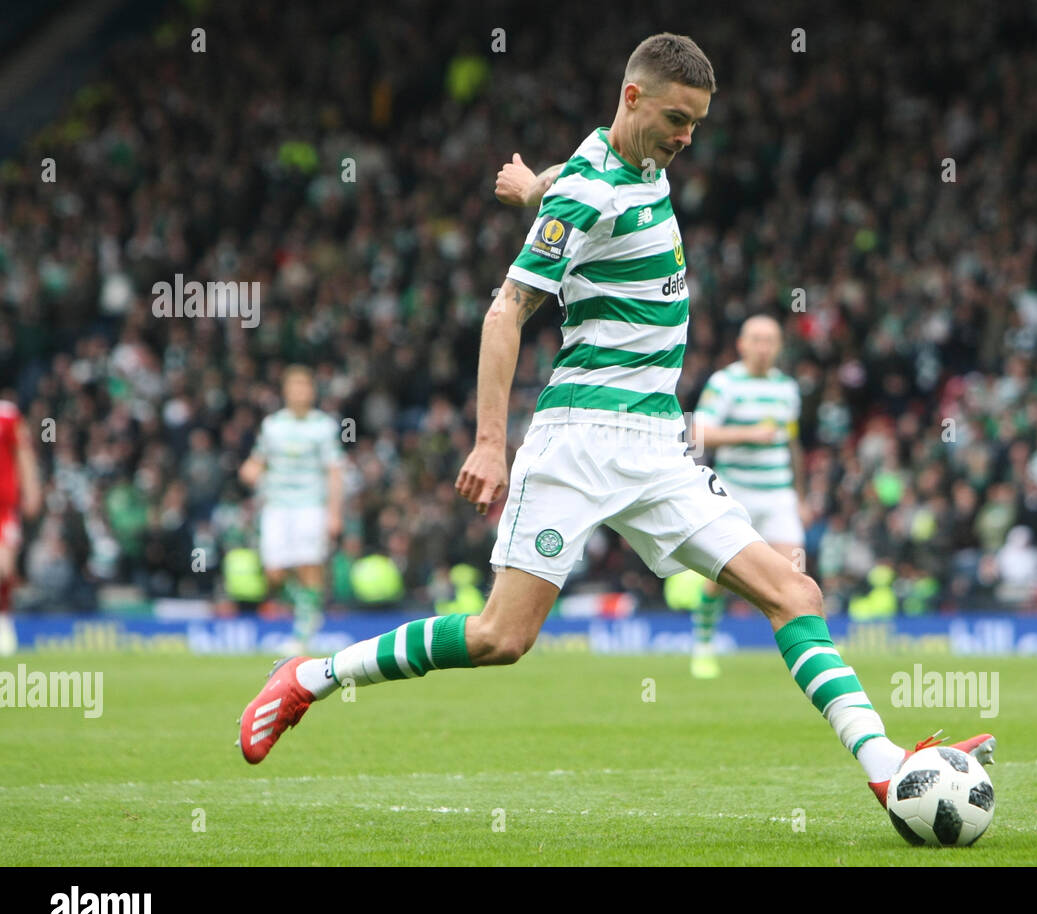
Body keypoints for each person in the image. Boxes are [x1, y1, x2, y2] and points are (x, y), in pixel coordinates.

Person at [239, 33, 993, 810]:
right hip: (579, 441)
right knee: (502, 639)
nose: (686, 138)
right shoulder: (589, 190)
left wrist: (535, 184)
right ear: (633, 98)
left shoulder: (626, 161)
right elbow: (507, 310)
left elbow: (589, 173)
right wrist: (491, 443)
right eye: (676, 119)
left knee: (794, 594)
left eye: (696, 124)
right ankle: (308, 678)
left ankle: (887, 767)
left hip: (659, 444)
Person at [687, 315, 807, 678]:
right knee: (720, 578)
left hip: (778, 496)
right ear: (742, 344)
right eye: (756, 339)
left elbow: (792, 444)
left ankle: (809, 651)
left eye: (770, 340)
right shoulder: (725, 383)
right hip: (734, 493)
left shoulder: (787, 388)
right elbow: (698, 434)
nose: (763, 347)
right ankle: (704, 644)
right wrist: (751, 433)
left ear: (779, 346)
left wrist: (800, 495)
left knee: (796, 576)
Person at [238, 366, 344, 653]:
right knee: (274, 572)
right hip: (276, 507)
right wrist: (250, 469)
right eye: (294, 386)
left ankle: (303, 633)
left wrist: (334, 513)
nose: (300, 392)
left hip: (310, 505)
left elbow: (334, 471)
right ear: (285, 391)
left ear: (312, 391)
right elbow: (258, 460)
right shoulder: (272, 425)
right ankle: (308, 608)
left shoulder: (324, 426)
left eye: (305, 386)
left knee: (309, 565)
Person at [0, 397, 42, 623]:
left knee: (4, 569)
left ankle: (4, 619)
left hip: (4, 506)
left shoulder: (7, 414)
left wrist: (32, 489)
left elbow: (24, 452)